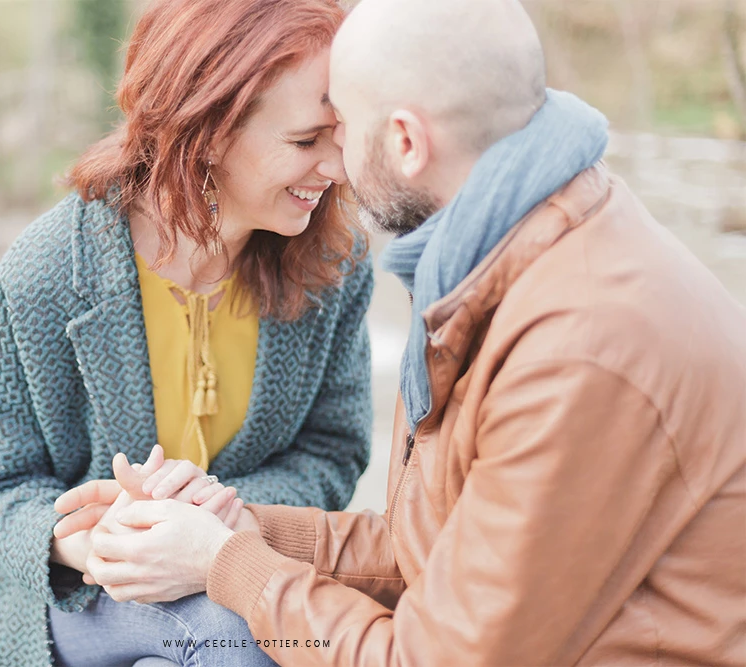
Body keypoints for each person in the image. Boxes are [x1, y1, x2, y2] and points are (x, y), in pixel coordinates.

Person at [62, 0, 746, 664]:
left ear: (406, 142)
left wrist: (223, 563)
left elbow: (433, 655)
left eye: (343, 129)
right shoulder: (502, 258)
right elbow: (434, 552)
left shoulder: (580, 347)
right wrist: (245, 528)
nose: (335, 167)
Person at [0, 0, 375, 665]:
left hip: (239, 565)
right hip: (79, 594)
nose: (337, 167)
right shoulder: (47, 271)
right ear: (208, 129)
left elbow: (333, 452)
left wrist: (224, 516)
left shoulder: (335, 269)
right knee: (246, 640)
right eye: (306, 140)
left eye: (341, 136)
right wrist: (86, 540)